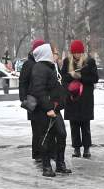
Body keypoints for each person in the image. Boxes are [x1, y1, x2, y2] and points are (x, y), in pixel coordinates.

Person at [28, 42, 71, 178]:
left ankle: (60, 163)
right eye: (52, 52)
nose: (55, 55)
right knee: (45, 138)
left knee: (61, 134)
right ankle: (46, 167)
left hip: (55, 108)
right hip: (45, 110)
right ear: (46, 53)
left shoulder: (50, 67)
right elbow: (38, 90)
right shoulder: (39, 68)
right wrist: (47, 108)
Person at [60, 40, 99, 159]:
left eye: (79, 52)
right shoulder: (67, 62)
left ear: (82, 52)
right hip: (72, 98)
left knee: (85, 125)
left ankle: (86, 149)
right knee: (74, 125)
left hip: (85, 98)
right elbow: (63, 79)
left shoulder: (89, 61)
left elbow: (95, 78)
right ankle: (76, 149)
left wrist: (81, 77)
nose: (77, 55)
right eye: (75, 53)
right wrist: (71, 78)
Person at [20, 41, 43, 161]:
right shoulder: (28, 64)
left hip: (44, 100)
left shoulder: (45, 63)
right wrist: (24, 99)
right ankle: (37, 153)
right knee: (37, 129)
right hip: (32, 101)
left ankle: (48, 151)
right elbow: (23, 82)